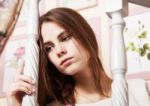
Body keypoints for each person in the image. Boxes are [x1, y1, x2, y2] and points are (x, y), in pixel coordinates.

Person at [7, 7, 150, 106]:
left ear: (85, 34)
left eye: (65, 38)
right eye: (49, 48)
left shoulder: (142, 90)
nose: (59, 51)